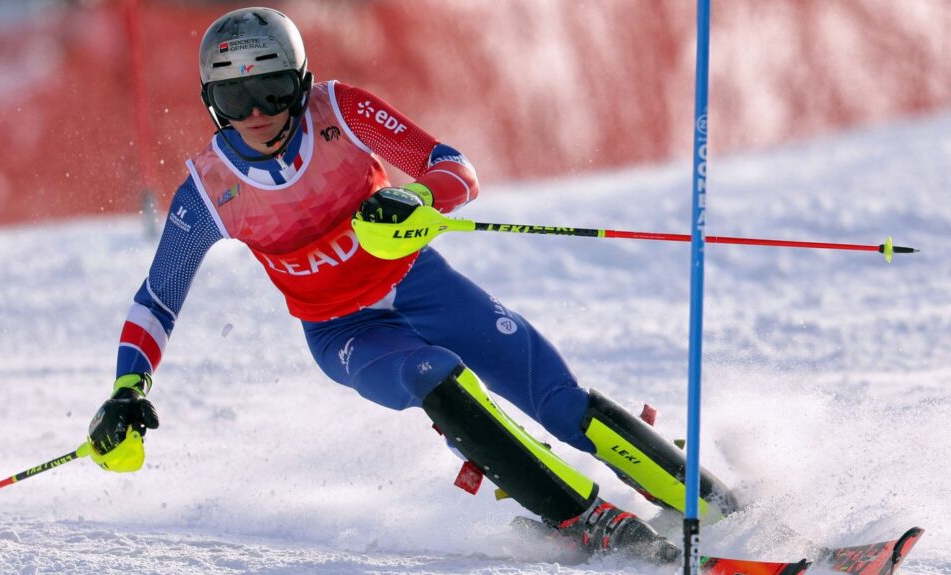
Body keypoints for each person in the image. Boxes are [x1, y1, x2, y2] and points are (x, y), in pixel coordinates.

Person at [86, 7, 737, 565]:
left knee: (560, 400)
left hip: (420, 281)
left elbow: (453, 167)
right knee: (437, 375)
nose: (257, 113)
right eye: (236, 99)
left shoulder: (338, 110)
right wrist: (127, 387)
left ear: (302, 82)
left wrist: (419, 196)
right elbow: (157, 299)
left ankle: (714, 503)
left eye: (275, 90)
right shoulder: (207, 189)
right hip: (345, 330)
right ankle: (585, 519)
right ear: (212, 103)